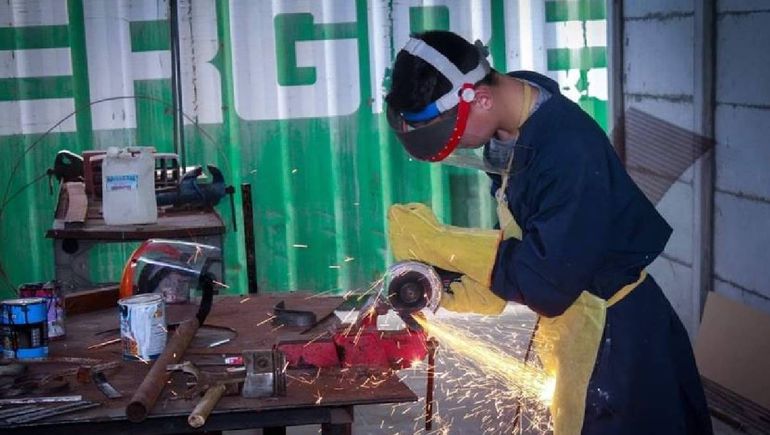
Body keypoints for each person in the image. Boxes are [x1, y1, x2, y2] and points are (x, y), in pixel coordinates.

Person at [384, 30, 712, 435]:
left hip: (620, 340)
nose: (456, 148)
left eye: (453, 136)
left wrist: (443, 244)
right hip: (582, 320)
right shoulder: (514, 124)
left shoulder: (568, 150)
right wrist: (468, 282)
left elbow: (548, 285)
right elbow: (535, 236)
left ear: (480, 98)